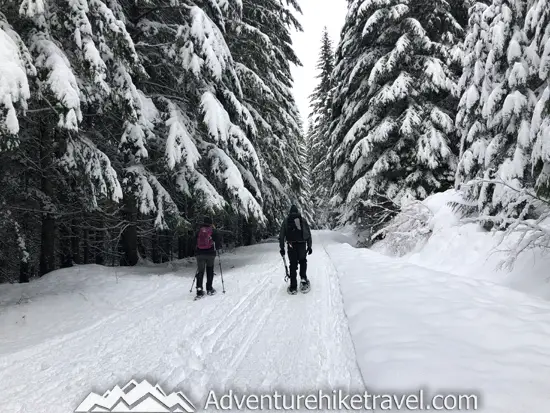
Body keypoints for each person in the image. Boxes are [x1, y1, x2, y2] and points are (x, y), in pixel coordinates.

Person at [279, 205, 312, 293]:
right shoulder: (302, 220)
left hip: (291, 245)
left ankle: (293, 286)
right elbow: (308, 234)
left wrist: (282, 248)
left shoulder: (286, 221)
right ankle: (304, 280)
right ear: (297, 211)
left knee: (293, 264)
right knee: (302, 261)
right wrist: (309, 246)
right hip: (302, 245)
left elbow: (281, 236)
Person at [194, 217, 221, 298]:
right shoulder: (213, 231)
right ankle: (209, 288)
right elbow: (218, 242)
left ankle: (199, 290)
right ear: (211, 223)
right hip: (210, 254)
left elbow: (194, 240)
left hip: (200, 254)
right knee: (210, 270)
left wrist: (196, 251)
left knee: (200, 271)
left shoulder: (199, 230)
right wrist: (218, 248)